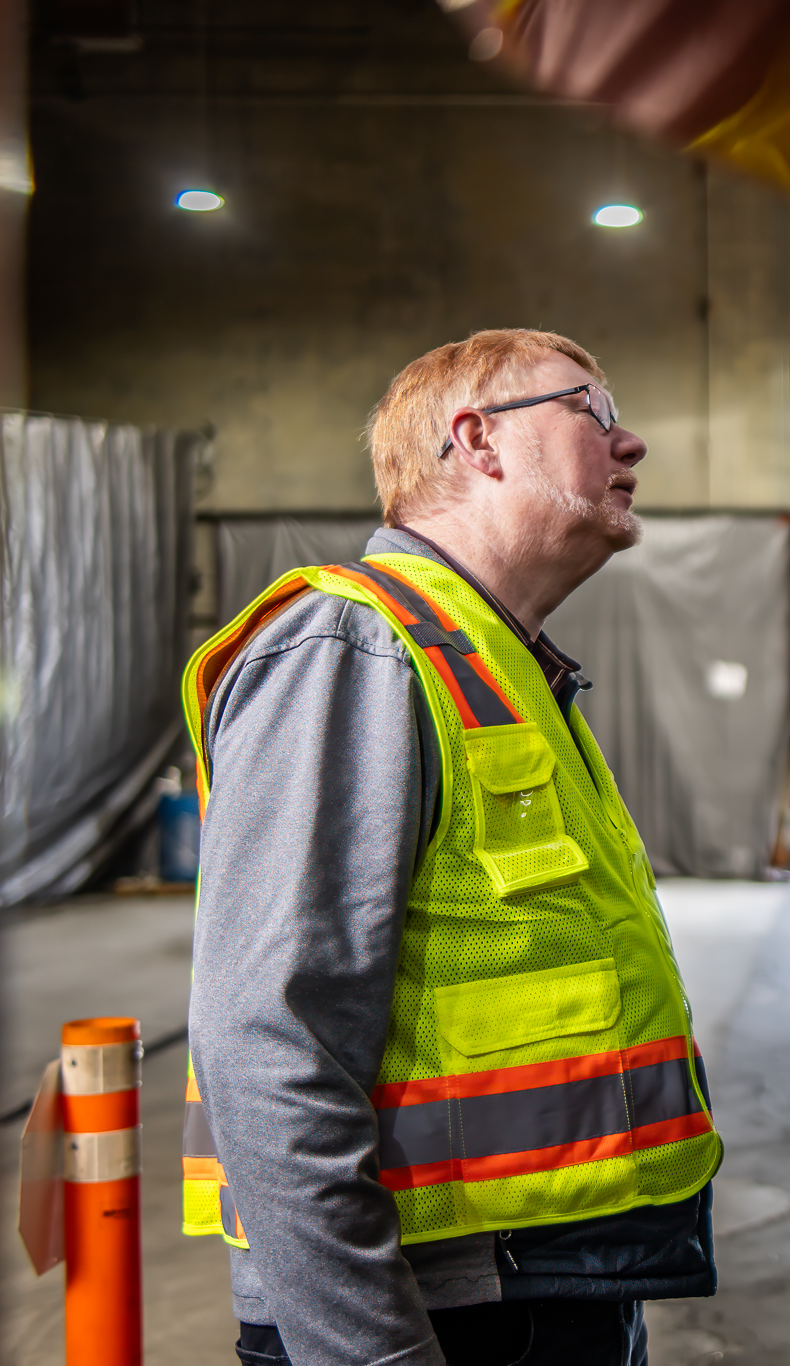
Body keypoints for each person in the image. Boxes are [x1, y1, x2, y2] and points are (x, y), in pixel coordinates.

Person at [182, 329, 720, 1366]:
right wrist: (371, 1353)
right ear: (477, 441)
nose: (631, 442)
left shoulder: (497, 661)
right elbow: (267, 1040)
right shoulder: (355, 646)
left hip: (539, 1283)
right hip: (437, 1314)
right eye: (592, 411)